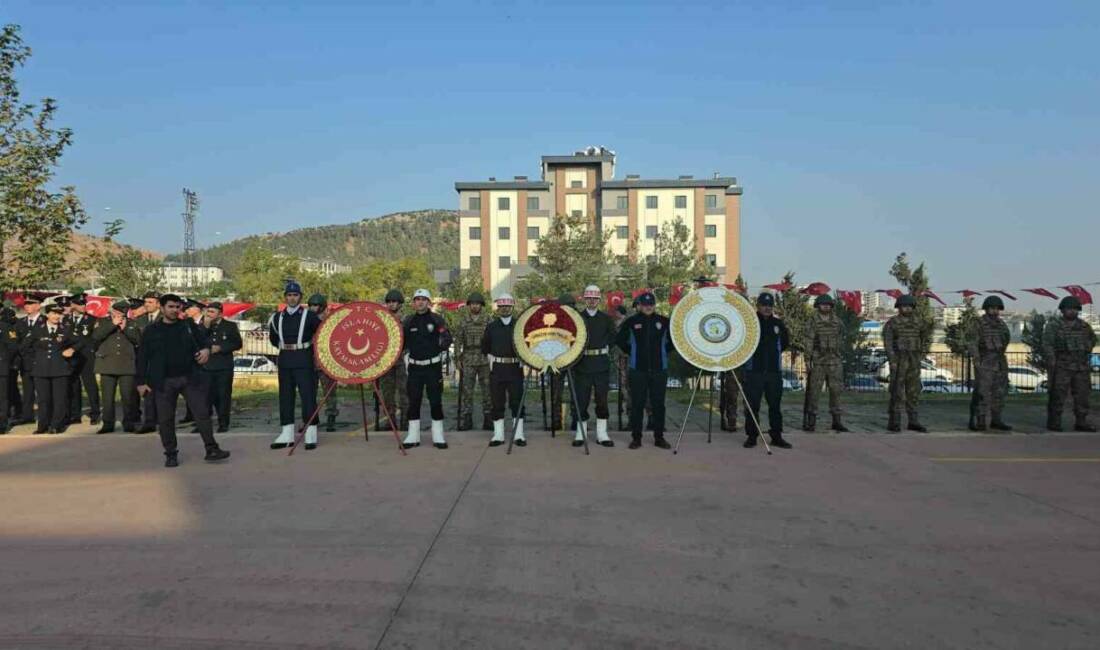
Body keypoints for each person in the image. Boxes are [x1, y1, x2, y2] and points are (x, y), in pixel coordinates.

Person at [136, 294, 230, 467]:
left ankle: (211, 449)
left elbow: (205, 342)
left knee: (202, 414)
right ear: (162, 308)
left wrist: (206, 351)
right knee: (165, 419)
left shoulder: (188, 325)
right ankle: (171, 454)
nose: (175, 310)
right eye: (171, 307)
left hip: (190, 378)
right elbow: (142, 357)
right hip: (163, 382)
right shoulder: (151, 330)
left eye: (178, 307)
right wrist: (141, 382)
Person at [614, 291, 673, 449]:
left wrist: (662, 352)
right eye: (645, 305)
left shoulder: (664, 321)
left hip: (659, 369)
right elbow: (619, 340)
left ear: (655, 305)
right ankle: (636, 438)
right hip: (637, 369)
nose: (648, 307)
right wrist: (631, 352)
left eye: (651, 304)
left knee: (658, 405)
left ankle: (659, 437)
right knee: (637, 405)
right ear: (640, 305)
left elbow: (673, 343)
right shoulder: (632, 322)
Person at [268, 281, 323, 450]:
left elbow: (321, 334)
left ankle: (310, 433)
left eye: (295, 295)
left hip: (304, 359)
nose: (292, 298)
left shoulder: (310, 316)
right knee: (285, 397)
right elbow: (273, 339)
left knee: (308, 396)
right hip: (285, 359)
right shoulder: (276, 317)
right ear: (285, 297)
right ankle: (286, 433)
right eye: (289, 295)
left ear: (300, 297)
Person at [401, 288, 453, 449]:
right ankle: (412, 436)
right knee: (413, 401)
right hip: (415, 369)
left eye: (424, 299)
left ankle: (438, 436)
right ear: (413, 303)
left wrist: (440, 345)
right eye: (417, 299)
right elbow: (401, 342)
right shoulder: (408, 321)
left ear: (429, 302)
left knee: (435, 401)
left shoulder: (437, 319)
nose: (420, 302)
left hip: (433, 367)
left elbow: (447, 338)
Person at [742, 293, 793, 449]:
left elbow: (784, 343)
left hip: (773, 372)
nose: (767, 308)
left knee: (775, 406)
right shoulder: (749, 323)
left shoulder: (778, 324)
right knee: (752, 406)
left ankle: (776, 436)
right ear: (758, 306)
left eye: (770, 305)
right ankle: (752, 436)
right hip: (754, 372)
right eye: (764, 305)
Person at [1044, 296, 1097, 432]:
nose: (1072, 312)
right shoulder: (1054, 325)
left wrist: (1087, 347)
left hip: (1081, 366)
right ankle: (1054, 422)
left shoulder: (1084, 326)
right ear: (1062, 310)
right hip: (1062, 366)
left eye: (1074, 309)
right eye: (1069, 309)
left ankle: (1081, 422)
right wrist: (1052, 361)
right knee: (1058, 395)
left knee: (1082, 396)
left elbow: (1092, 339)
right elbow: (1048, 344)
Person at [573, 285, 616, 447]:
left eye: (595, 298)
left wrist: (606, 348)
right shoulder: (577, 318)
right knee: (581, 400)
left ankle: (602, 434)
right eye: (589, 298)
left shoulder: (606, 319)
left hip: (601, 365)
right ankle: (580, 433)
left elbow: (613, 338)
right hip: (582, 365)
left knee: (602, 400)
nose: (591, 301)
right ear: (584, 299)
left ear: (599, 300)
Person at [481, 293, 526, 446]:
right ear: (498, 308)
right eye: (502, 306)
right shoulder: (491, 326)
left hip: (515, 368)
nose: (504, 309)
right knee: (497, 402)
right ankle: (498, 435)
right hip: (498, 369)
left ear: (512, 307)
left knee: (517, 401)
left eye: (507, 306)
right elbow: (485, 347)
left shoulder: (520, 326)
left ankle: (518, 435)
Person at [92, 300, 142, 433]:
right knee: (107, 398)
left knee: (128, 397)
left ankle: (129, 422)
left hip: (126, 365)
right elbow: (96, 336)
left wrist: (125, 328)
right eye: (118, 313)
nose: (120, 316)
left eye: (123, 314)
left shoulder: (132, 323)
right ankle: (108, 424)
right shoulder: (102, 322)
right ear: (113, 311)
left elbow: (138, 340)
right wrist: (112, 325)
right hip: (107, 364)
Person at [28, 303, 77, 434]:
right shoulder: (37, 329)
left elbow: (80, 342)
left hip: (60, 369)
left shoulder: (66, 329)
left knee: (59, 399)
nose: (57, 316)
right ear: (47, 314)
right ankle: (42, 425)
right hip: (41, 370)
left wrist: (72, 349)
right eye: (54, 313)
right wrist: (35, 362)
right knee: (43, 399)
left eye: (59, 313)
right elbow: (25, 347)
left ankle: (56, 425)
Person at [803, 294, 848, 433]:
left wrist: (840, 353)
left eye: (828, 304)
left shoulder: (837, 321)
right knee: (814, 392)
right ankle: (811, 421)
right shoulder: (812, 321)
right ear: (818, 306)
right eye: (823, 304)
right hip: (818, 360)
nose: (826, 306)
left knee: (836, 391)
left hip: (834, 360)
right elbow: (808, 340)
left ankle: (837, 420)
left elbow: (842, 336)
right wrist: (807, 359)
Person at [883, 294, 928, 432]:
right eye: (904, 306)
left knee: (913, 391)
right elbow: (888, 343)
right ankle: (894, 421)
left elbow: (924, 339)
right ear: (899, 307)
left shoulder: (919, 322)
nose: (906, 309)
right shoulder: (893, 323)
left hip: (913, 360)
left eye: (909, 306)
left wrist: (921, 355)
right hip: (899, 360)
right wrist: (892, 360)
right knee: (897, 392)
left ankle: (913, 421)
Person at [969, 295, 1012, 432]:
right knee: (982, 393)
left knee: (999, 393)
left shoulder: (1001, 324)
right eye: (992, 308)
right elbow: (972, 343)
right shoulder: (978, 323)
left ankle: (996, 420)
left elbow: (1006, 340)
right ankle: (980, 420)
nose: (995, 311)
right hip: (985, 362)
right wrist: (977, 360)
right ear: (986, 309)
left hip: (999, 362)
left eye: (997, 309)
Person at [202, 302, 242, 433]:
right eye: (208, 312)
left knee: (223, 395)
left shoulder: (229, 326)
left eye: (212, 312)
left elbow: (237, 343)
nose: (209, 315)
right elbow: (196, 340)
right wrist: (205, 328)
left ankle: (223, 422)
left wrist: (221, 347)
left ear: (220, 313)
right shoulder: (202, 326)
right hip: (206, 366)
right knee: (206, 396)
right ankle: (203, 423)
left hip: (223, 366)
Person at [454, 292, 491, 431]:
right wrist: (458, 358)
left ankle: (488, 419)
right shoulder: (463, 321)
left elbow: (492, 339)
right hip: (468, 358)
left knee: (487, 390)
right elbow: (458, 340)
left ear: (481, 305)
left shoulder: (488, 320)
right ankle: (467, 419)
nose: (475, 306)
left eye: (477, 304)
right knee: (467, 391)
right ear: (469, 305)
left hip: (484, 358)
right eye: (473, 304)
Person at [65, 293, 101, 426]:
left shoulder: (92, 319)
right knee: (73, 385)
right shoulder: (66, 320)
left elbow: (93, 338)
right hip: (71, 357)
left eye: (84, 304)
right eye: (79, 304)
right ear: (73, 305)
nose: (83, 306)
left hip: (86, 356)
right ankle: (75, 415)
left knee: (90, 385)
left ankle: (95, 413)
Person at [376, 289, 409, 429]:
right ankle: (391, 422)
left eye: (394, 302)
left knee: (405, 393)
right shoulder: (381, 319)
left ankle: (405, 421)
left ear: (400, 303)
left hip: (402, 360)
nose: (391, 304)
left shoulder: (407, 320)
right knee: (387, 394)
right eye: (388, 302)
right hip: (386, 361)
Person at [307, 293, 340, 431]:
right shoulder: (307, 320)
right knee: (309, 393)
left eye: (316, 305)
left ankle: (331, 417)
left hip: (326, 363)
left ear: (322, 306)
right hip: (309, 361)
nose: (313, 308)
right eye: (311, 305)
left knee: (329, 393)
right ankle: (311, 419)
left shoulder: (329, 321)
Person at [132, 291, 162, 434]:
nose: (147, 305)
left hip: (162, 361)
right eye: (145, 302)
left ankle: (163, 420)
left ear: (158, 304)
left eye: (150, 302)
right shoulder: (140, 320)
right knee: (147, 392)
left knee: (163, 393)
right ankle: (149, 421)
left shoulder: (165, 319)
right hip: (145, 361)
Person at [548, 292, 577, 432]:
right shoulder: (552, 321)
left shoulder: (579, 321)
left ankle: (577, 419)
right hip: (557, 360)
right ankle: (555, 420)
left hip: (574, 360)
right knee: (555, 393)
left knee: (576, 392)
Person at [14, 294, 44, 425]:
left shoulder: (45, 321)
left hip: (42, 361)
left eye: (31, 304)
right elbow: (16, 342)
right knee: (28, 391)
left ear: (38, 306)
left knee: (43, 391)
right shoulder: (20, 322)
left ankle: (46, 416)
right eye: (26, 304)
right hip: (25, 362)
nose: (27, 306)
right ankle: (27, 416)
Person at [610, 304, 632, 430]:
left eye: (616, 312)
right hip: (618, 360)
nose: (614, 315)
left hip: (627, 360)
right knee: (624, 389)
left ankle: (631, 418)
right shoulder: (615, 324)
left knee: (628, 389)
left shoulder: (627, 324)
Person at [0, 305, 18, 434]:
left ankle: (2, 423)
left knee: (2, 396)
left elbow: (12, 347)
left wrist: (3, 359)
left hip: (1, 366)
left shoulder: (5, 327)